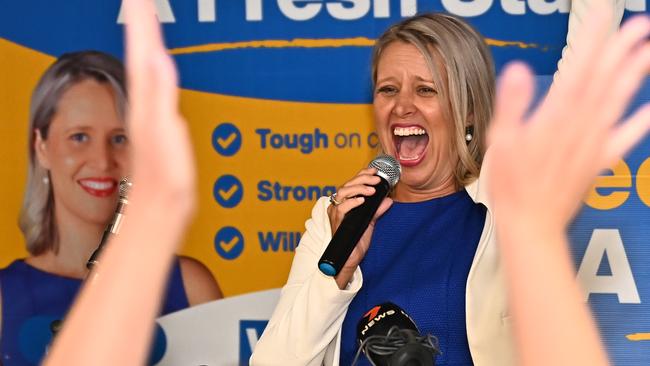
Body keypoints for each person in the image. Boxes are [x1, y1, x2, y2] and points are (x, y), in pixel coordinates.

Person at [250, 1, 631, 366]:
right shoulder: (334, 220)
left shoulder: (509, 193)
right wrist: (337, 272)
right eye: (388, 90)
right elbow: (272, 362)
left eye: (425, 89)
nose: (402, 107)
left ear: (467, 111)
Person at [0, 50, 222, 365]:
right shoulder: (4, 299)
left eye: (120, 139)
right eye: (79, 137)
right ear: (42, 147)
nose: (103, 161)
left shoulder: (189, 286)